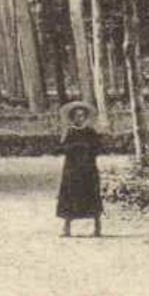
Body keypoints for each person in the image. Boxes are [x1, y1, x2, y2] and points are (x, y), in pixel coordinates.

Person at [55, 100, 103, 237]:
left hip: (88, 169)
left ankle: (97, 226)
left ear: (86, 117)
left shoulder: (91, 132)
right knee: (70, 196)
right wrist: (72, 146)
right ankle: (66, 227)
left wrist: (88, 149)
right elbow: (61, 149)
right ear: (72, 118)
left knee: (92, 195)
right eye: (76, 116)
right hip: (72, 169)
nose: (79, 118)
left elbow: (98, 148)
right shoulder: (69, 132)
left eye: (82, 115)